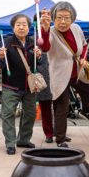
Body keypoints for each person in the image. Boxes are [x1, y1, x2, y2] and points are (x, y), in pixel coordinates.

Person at [40, 1, 89, 148]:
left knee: (87, 92)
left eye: (67, 18)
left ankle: (85, 111)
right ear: (53, 18)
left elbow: (83, 45)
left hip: (77, 71)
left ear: (73, 19)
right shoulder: (50, 31)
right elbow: (44, 47)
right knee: (62, 106)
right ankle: (60, 139)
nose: (63, 22)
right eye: (59, 18)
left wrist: (83, 58)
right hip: (60, 72)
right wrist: (44, 30)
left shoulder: (76, 29)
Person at [0, 14, 42, 155]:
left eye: (24, 24)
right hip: (11, 86)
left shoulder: (33, 43)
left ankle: (23, 140)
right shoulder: (5, 43)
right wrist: (0, 57)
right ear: (13, 27)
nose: (21, 27)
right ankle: (10, 143)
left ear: (29, 28)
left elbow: (38, 65)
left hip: (29, 87)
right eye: (18, 24)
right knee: (8, 114)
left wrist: (39, 56)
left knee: (29, 114)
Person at [34, 13, 54, 144]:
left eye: (46, 21)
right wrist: (37, 55)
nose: (43, 24)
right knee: (46, 107)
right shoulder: (33, 39)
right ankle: (49, 133)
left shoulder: (54, 35)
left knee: (60, 107)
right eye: (40, 22)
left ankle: (60, 131)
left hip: (56, 74)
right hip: (43, 76)